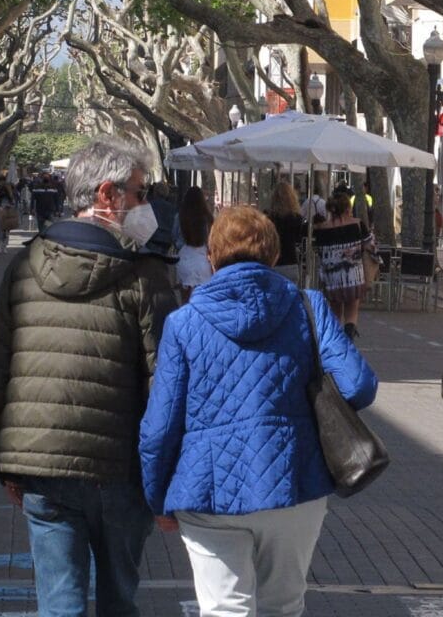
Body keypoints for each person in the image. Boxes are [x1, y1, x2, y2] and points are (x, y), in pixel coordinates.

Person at [139, 206, 377, 617]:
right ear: (272, 254)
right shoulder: (308, 306)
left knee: (223, 610)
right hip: (294, 481)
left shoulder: (185, 322)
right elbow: (358, 385)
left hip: (207, 489)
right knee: (282, 607)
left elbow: (159, 427)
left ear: (212, 256)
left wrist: (158, 499)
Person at [0, 137, 177, 617]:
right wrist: (166, 478)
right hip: (119, 469)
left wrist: (7, 461)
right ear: (107, 195)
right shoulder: (144, 273)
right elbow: (167, 384)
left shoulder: (24, 266)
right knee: (119, 600)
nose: (145, 203)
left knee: (59, 604)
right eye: (139, 191)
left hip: (42, 469)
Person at [313, 191, 372, 339]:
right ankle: (349, 337)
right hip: (354, 277)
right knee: (352, 311)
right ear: (347, 208)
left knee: (335, 312)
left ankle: (336, 341)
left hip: (332, 278)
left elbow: (318, 251)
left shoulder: (320, 229)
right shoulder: (358, 224)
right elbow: (370, 247)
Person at [176, 186, 214, 303]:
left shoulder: (180, 217)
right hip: (203, 261)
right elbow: (212, 240)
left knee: (185, 302)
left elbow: (175, 237)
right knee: (203, 300)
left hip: (184, 258)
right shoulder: (208, 218)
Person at [267, 181, 306, 284]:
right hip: (291, 262)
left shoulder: (269, 219)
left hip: (273, 263)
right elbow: (299, 238)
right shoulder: (296, 219)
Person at [0, 183, 19, 253]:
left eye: (5, 191)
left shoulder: (10, 197)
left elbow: (14, 204)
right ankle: (0, 245)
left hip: (7, 216)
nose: (3, 192)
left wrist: (9, 206)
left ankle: (4, 246)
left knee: (6, 233)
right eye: (3, 191)